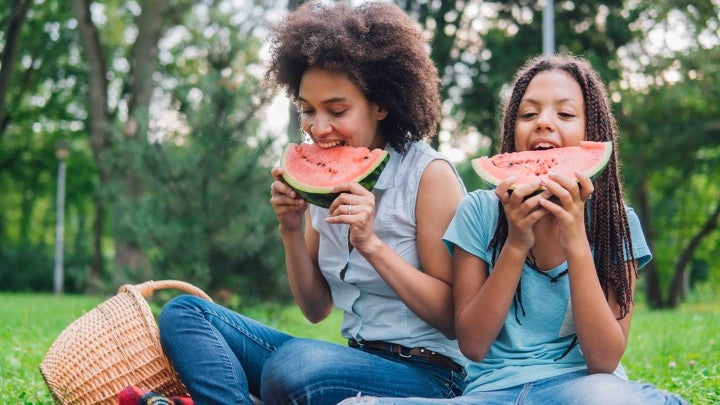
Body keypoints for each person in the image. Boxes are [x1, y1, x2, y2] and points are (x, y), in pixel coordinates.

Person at [158, 2, 468, 404]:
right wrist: (290, 229)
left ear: (381, 104)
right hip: (346, 361)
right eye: (307, 110)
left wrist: (371, 245)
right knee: (185, 314)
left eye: (337, 110)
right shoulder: (325, 181)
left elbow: (455, 318)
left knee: (294, 368)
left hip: (428, 374)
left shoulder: (430, 176)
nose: (319, 129)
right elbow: (316, 308)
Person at [338, 54, 688, 404]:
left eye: (564, 114)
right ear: (512, 130)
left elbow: (604, 360)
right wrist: (517, 243)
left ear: (591, 133)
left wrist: (577, 238)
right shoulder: (478, 211)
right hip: (493, 392)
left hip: (584, 389)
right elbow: (473, 345)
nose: (543, 123)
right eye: (528, 114)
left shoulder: (617, 224)